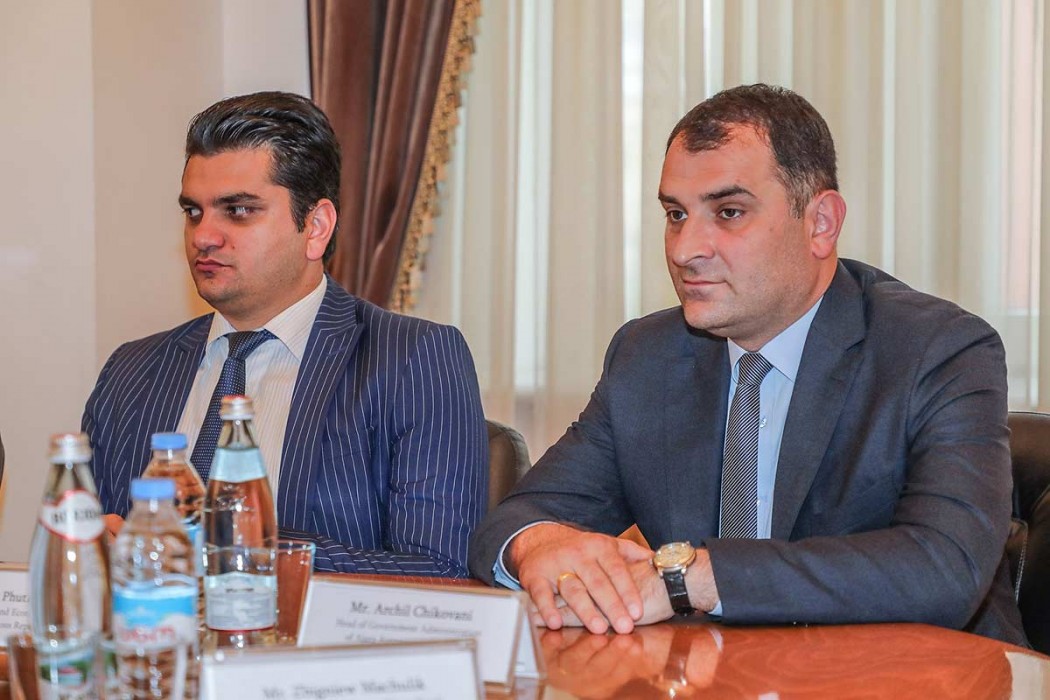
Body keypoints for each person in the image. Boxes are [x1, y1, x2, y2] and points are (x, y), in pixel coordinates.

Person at [469, 84, 1026, 644]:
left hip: (913, 673)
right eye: (675, 214)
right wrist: (540, 544)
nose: (685, 250)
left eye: (729, 212)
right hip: (714, 674)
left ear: (821, 223)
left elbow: (944, 565)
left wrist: (691, 579)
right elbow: (518, 517)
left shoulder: (937, 349)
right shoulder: (647, 357)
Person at [84, 91, 488, 576]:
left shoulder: (411, 359)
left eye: (238, 210)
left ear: (315, 227)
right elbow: (84, 554)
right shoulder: (131, 372)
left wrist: (234, 552)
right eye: (193, 212)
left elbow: (439, 571)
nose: (203, 236)